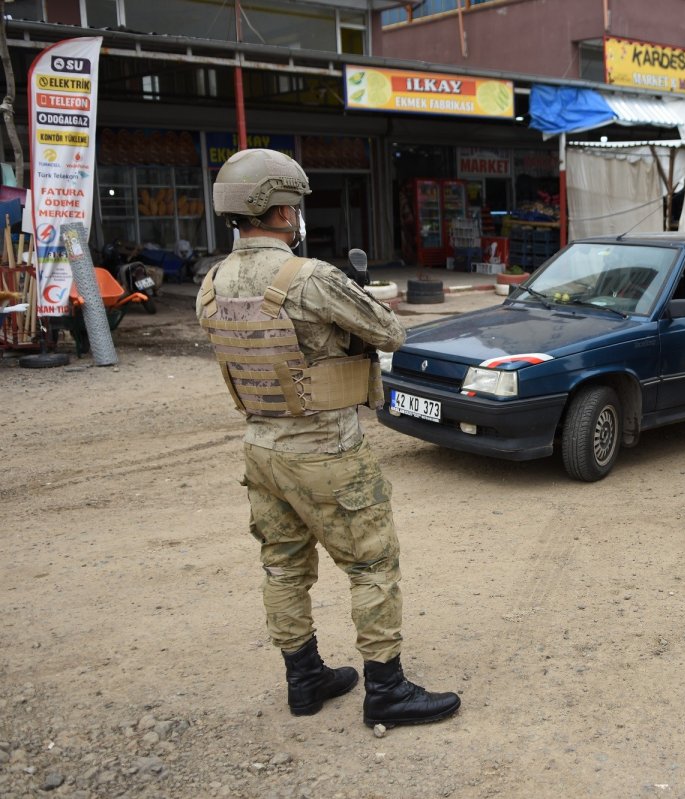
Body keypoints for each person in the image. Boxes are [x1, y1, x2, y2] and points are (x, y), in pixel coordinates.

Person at [196, 149, 460, 729]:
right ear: (281, 212)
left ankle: (304, 677)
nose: (298, 216)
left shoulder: (211, 283)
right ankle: (387, 690)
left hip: (261, 449)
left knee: (283, 565)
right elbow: (391, 332)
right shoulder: (308, 276)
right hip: (326, 451)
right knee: (372, 565)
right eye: (295, 206)